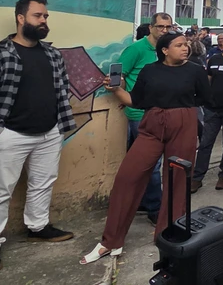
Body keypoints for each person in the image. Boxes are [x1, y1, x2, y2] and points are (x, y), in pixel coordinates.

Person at [82, 32, 210, 264]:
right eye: (179, 45)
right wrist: (116, 90)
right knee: (127, 177)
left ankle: (167, 233)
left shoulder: (195, 70)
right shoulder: (149, 70)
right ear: (164, 50)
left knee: (177, 179)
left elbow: (204, 98)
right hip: (152, 124)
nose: (185, 49)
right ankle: (111, 241)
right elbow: (137, 100)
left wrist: (182, 114)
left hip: (183, 124)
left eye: (186, 45)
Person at [0, 0, 77, 274]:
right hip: (9, 136)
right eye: (38, 16)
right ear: (20, 18)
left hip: (49, 132)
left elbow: (63, 88)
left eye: (46, 16)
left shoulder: (53, 54)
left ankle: (38, 227)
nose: (44, 21)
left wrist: (57, 126)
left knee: (43, 183)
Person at [118, 12, 173, 224]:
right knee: (151, 163)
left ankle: (141, 201)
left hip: (160, 112)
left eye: (168, 27)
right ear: (150, 27)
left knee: (138, 163)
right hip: (140, 114)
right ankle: (155, 208)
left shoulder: (166, 51)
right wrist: (123, 95)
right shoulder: (137, 49)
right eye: (160, 26)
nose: (164, 31)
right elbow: (119, 75)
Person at [193, 29, 223, 193]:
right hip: (212, 110)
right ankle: (197, 177)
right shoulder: (213, 59)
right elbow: (207, 81)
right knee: (206, 144)